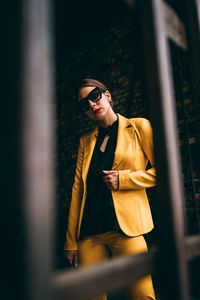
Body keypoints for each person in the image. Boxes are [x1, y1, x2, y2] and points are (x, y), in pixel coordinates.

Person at [64, 78, 156, 300]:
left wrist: (125, 179)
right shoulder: (85, 142)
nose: (91, 105)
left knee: (141, 294)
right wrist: (71, 240)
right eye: (84, 104)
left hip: (126, 229)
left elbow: (164, 171)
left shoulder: (139, 126)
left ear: (107, 95)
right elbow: (78, 190)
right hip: (89, 235)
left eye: (94, 96)